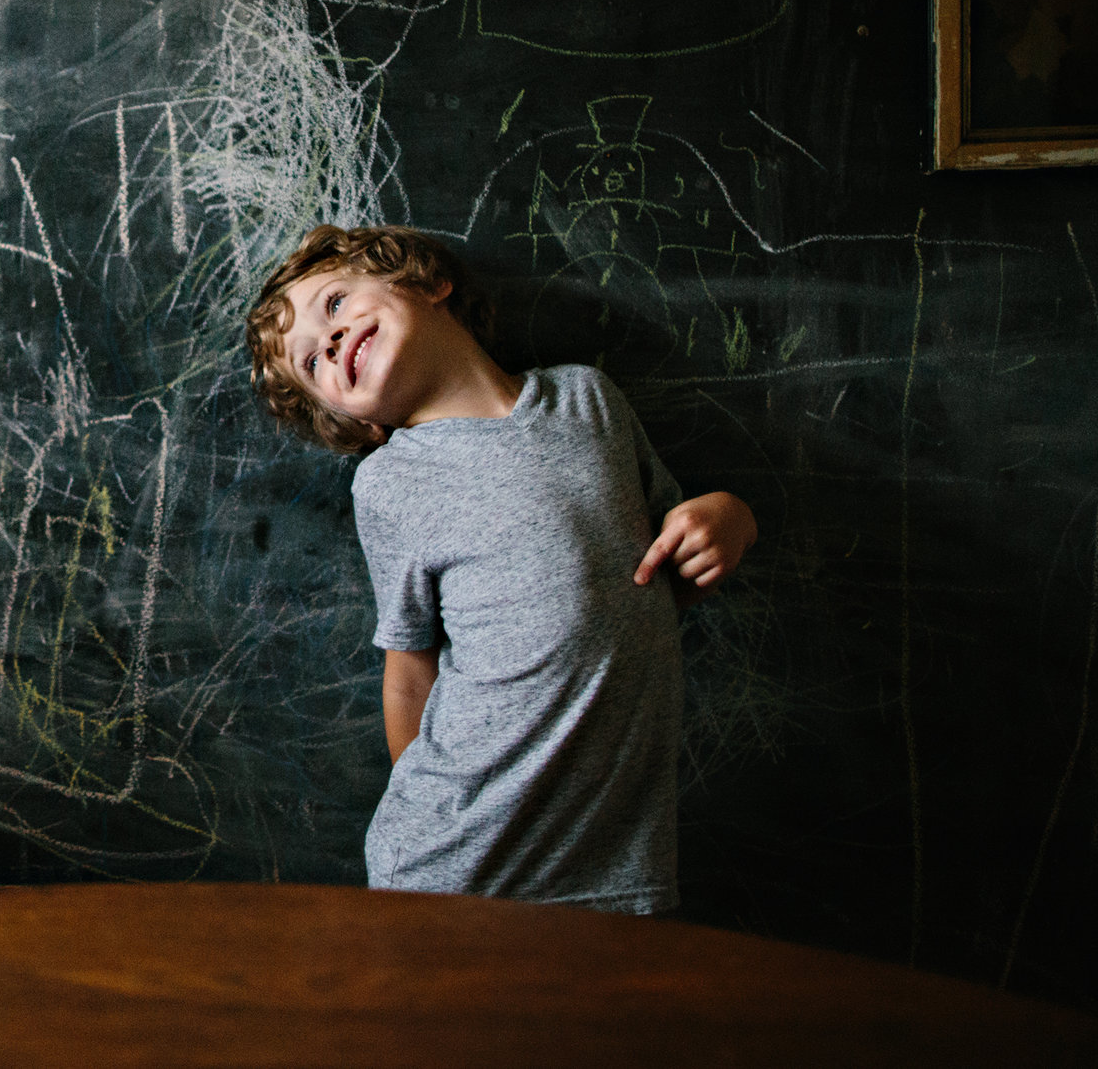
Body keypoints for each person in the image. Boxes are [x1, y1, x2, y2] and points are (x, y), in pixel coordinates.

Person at [244, 224, 757, 914]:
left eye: (334, 305)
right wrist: (436, 809)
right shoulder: (391, 484)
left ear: (428, 282)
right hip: (455, 863)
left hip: (614, 861)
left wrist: (732, 517)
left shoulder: (589, 400)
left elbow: (662, 567)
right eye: (313, 362)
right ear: (354, 422)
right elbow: (409, 669)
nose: (330, 341)